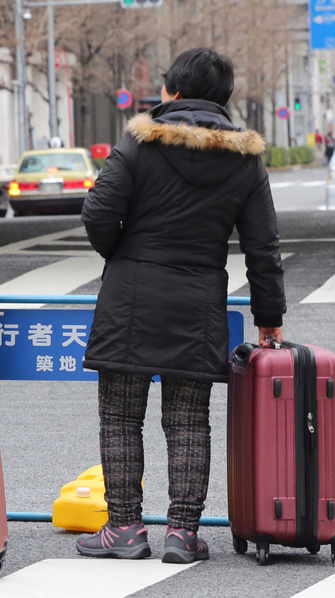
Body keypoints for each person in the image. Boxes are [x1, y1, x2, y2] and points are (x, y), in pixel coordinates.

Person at [80, 47, 284, 563]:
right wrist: (269, 319)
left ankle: (124, 528)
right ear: (223, 99)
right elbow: (263, 247)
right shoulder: (244, 158)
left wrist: (122, 255)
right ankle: (182, 533)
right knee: (189, 420)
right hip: (198, 301)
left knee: (121, 417)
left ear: (171, 91)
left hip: (131, 296)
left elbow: (98, 213)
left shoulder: (138, 142)